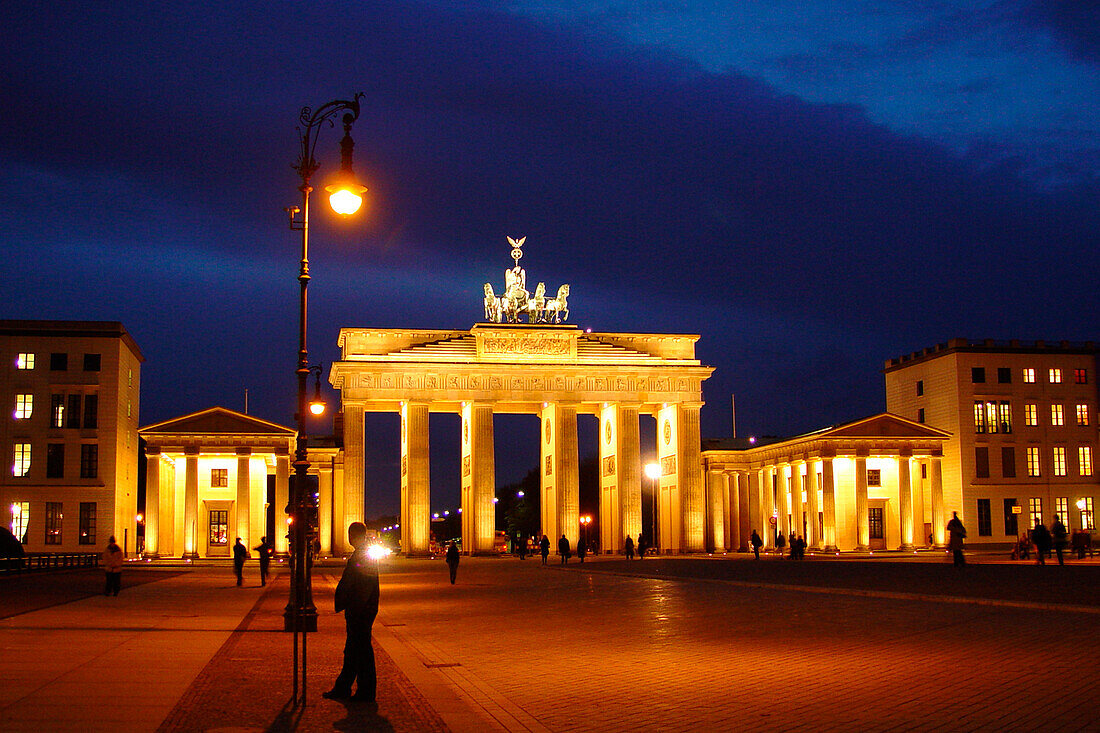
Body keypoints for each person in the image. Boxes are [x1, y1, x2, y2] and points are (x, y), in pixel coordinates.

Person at [323, 522, 379, 704]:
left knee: (361, 651)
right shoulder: (362, 554)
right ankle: (343, 687)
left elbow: (364, 586)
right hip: (360, 610)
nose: (348, 537)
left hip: (360, 612)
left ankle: (365, 692)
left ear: (355, 535)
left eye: (350, 533)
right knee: (353, 650)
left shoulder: (363, 556)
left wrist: (356, 610)